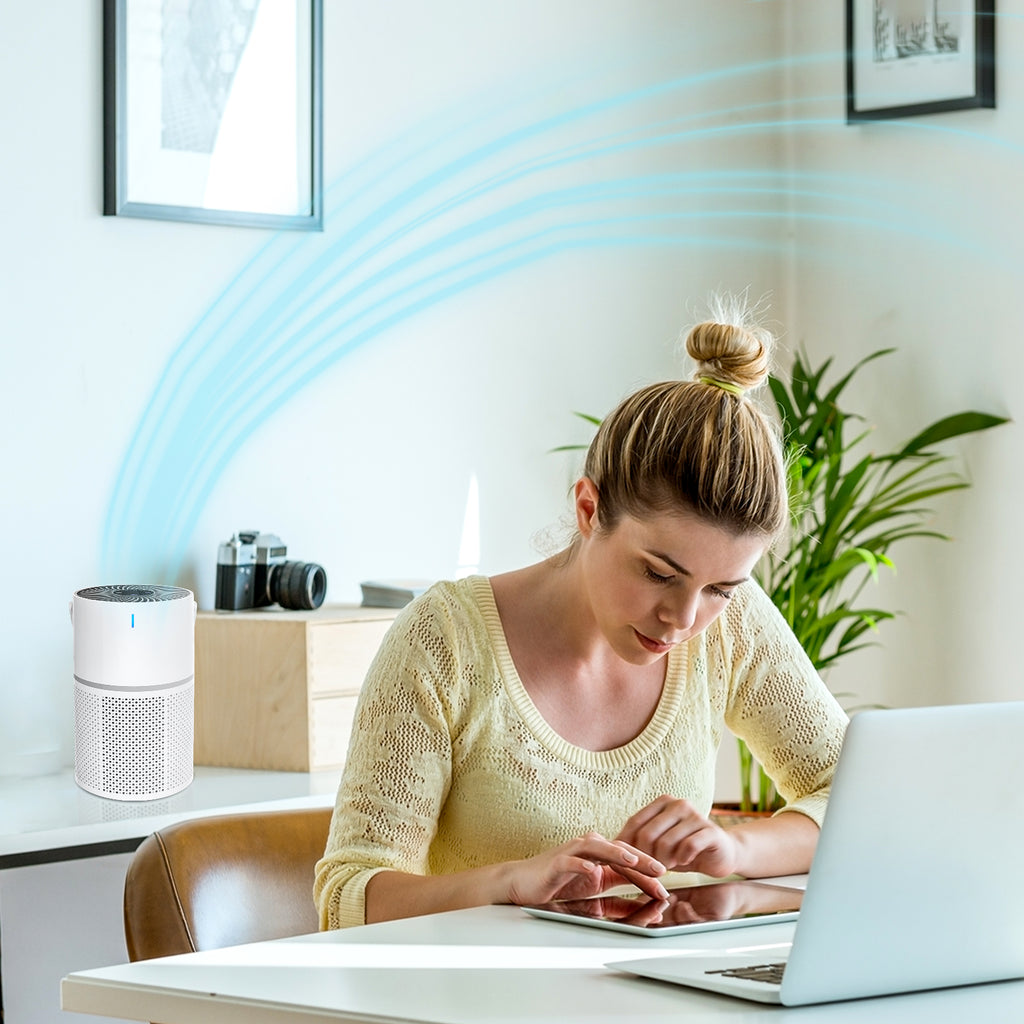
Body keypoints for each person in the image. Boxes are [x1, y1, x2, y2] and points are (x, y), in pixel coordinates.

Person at [315, 296, 848, 930]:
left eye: (721, 589)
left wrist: (737, 848)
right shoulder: (447, 642)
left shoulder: (732, 626)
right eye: (658, 573)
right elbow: (348, 897)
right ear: (589, 510)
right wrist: (510, 882)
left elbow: (858, 800)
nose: (683, 618)